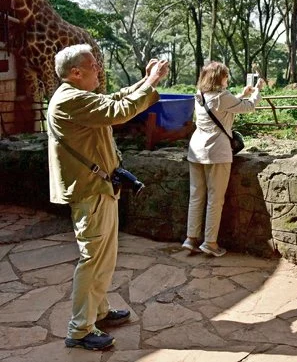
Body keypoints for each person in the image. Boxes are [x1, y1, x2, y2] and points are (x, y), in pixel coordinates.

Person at [48, 44, 169, 350]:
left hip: (99, 189)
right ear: (76, 72)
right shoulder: (70, 99)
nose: (99, 70)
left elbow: (114, 100)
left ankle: (98, 312)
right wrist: (152, 82)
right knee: (93, 260)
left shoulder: (77, 96)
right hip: (91, 191)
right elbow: (119, 111)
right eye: (94, 66)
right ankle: (79, 329)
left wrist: (145, 81)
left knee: (103, 257)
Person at [182, 61, 264, 256]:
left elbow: (219, 107)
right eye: (226, 76)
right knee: (215, 199)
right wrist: (257, 91)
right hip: (216, 152)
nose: (228, 79)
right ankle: (210, 242)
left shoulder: (200, 95)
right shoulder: (222, 96)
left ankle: (191, 238)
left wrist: (241, 94)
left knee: (196, 196)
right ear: (220, 78)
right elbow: (248, 107)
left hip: (196, 150)